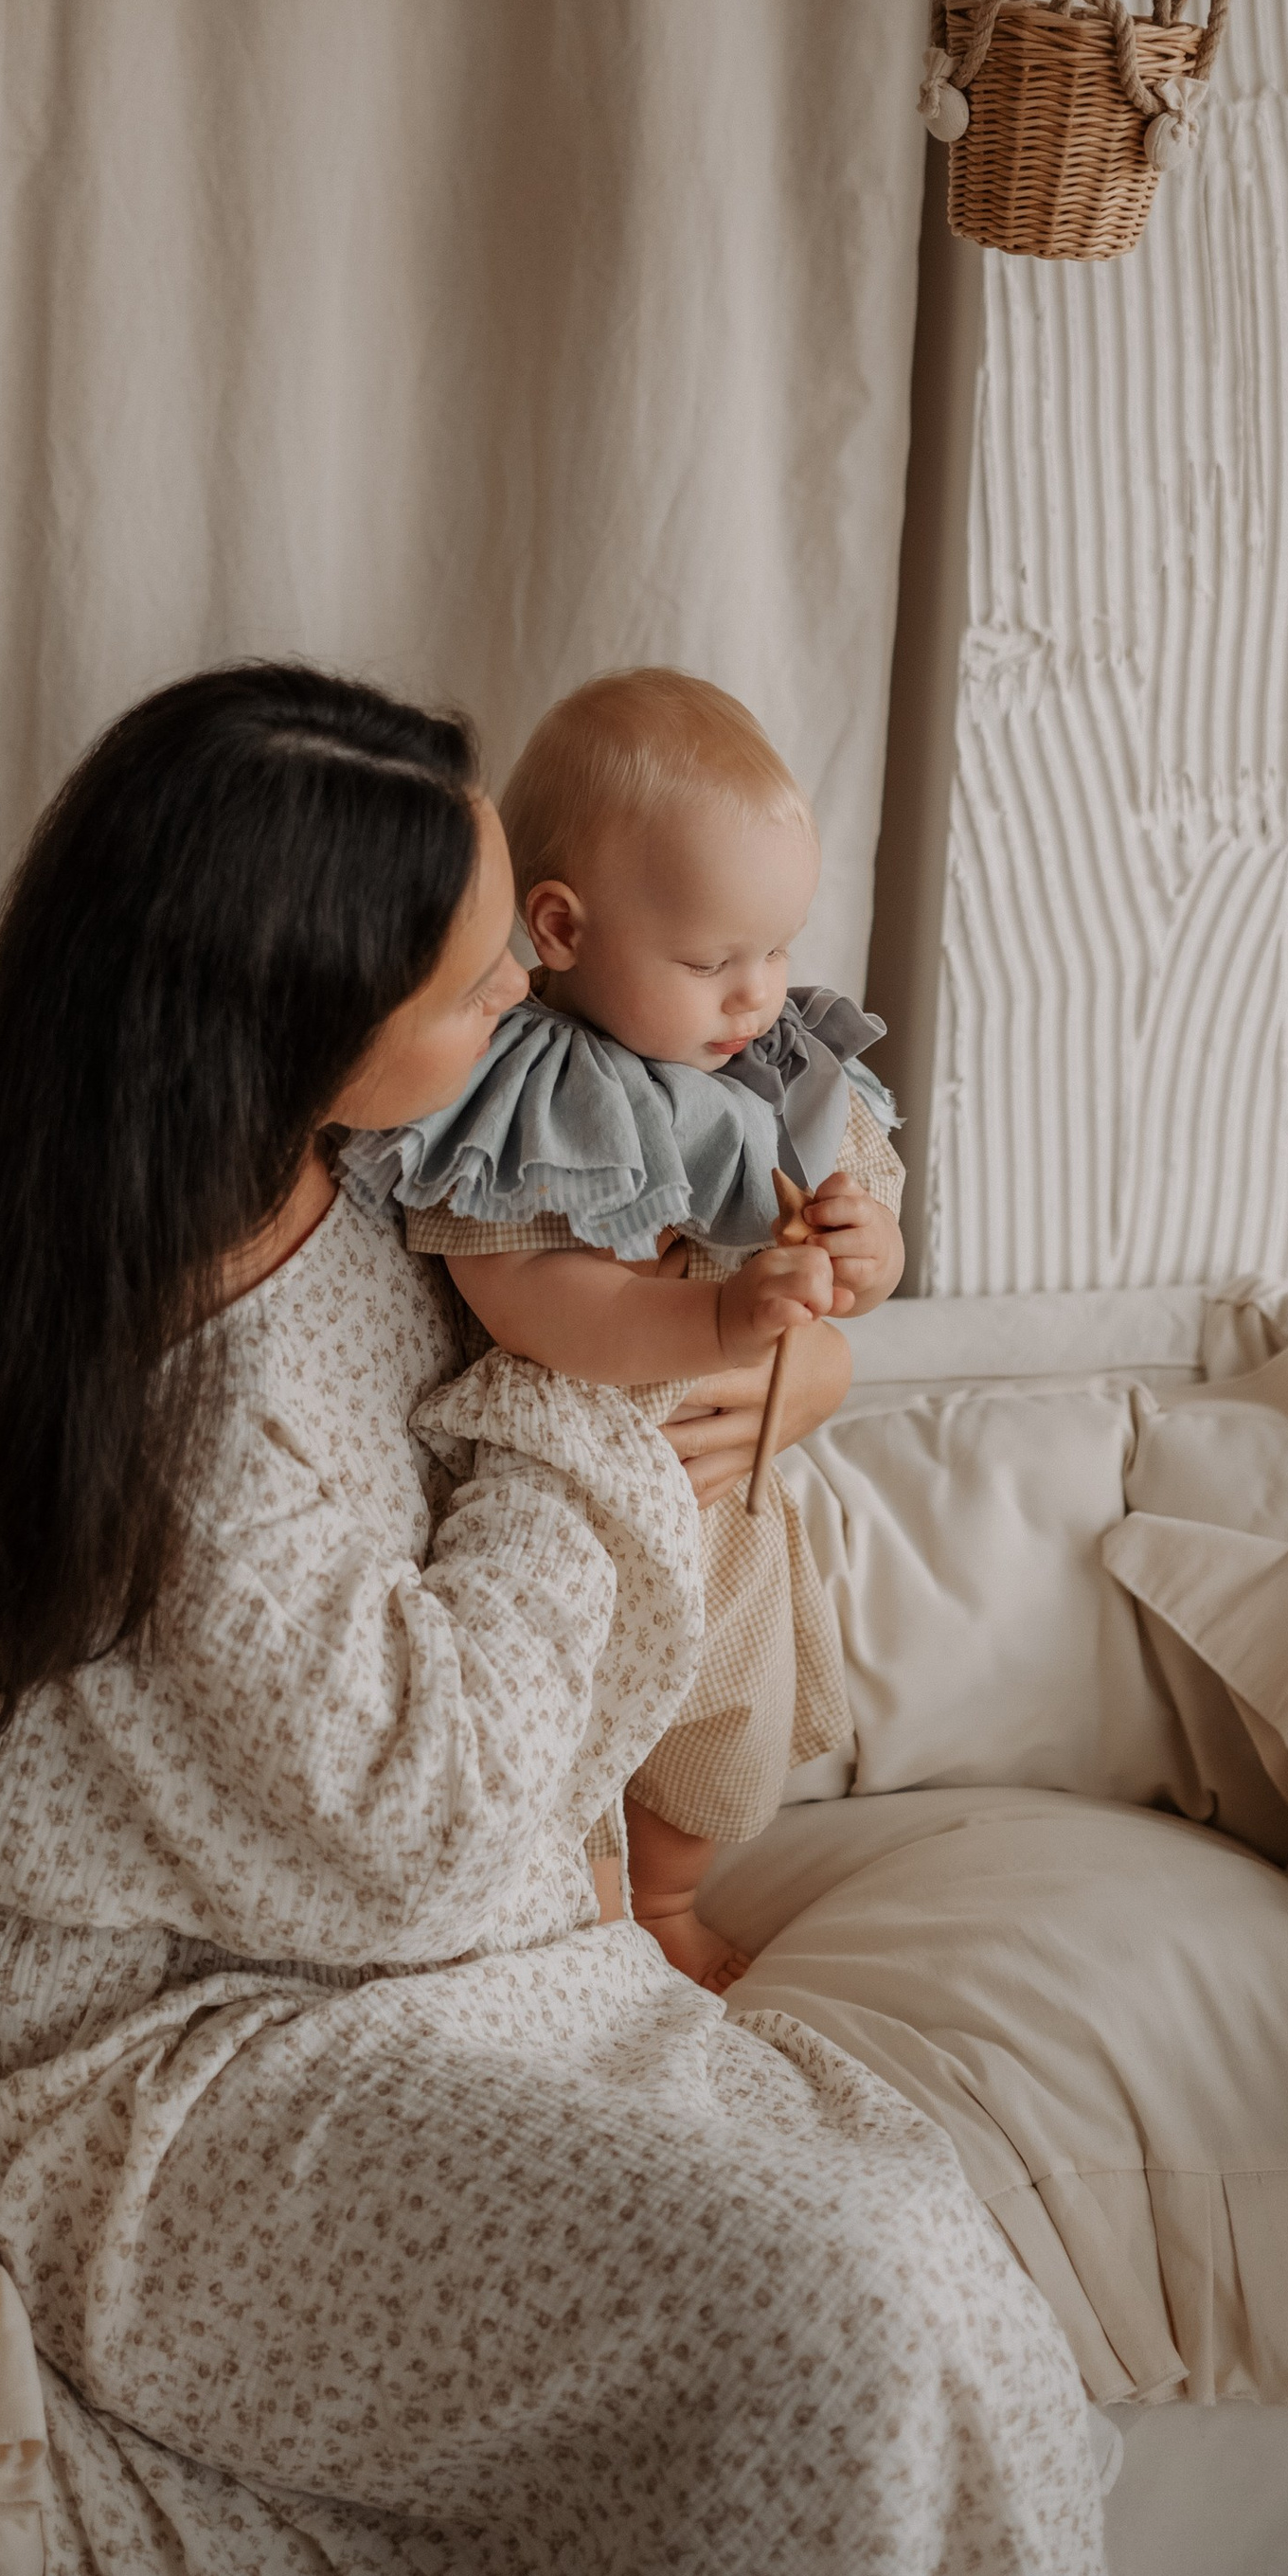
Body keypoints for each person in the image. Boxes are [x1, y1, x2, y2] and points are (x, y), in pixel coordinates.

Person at [0, 662, 1113, 2576]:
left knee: (911, 2277)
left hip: (403, 1962)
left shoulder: (369, 1173)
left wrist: (799, 1346)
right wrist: (604, 1415)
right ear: (287, 1022)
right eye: (469, 984)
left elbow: (654, 1307)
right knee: (843, 2296)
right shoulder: (193, 1425)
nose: (518, 995)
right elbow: (425, 1819)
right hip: (168, 2052)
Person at [339, 668, 905, 1989]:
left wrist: (865, 1256)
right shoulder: (526, 1089)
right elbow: (524, 1297)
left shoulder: (772, 1063)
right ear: (563, 925)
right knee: (576, 1742)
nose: (759, 994)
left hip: (729, 1501)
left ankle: (670, 1900)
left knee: (725, 1723)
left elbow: (853, 1228)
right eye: (715, 961)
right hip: (574, 1500)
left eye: (778, 950)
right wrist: (714, 1314)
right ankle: (597, 1931)